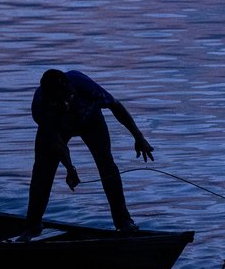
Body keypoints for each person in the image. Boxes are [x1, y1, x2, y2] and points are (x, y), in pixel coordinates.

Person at [18, 69, 154, 241]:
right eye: (57, 103)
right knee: (42, 171)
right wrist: (70, 168)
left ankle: (124, 222)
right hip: (58, 128)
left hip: (91, 120)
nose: (64, 106)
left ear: (70, 91)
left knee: (107, 165)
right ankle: (32, 226)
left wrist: (138, 137)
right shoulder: (41, 106)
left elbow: (116, 106)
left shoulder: (84, 86)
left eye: (65, 100)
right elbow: (56, 143)